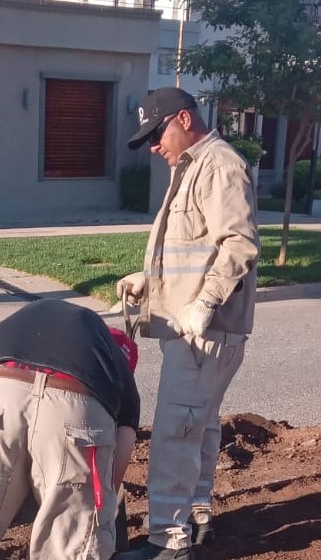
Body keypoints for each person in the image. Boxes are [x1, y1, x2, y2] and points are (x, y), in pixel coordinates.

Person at [115, 87, 260, 560]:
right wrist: (150, 281)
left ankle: (166, 543)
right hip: (200, 328)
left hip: (204, 330)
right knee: (198, 427)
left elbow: (238, 244)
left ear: (183, 118)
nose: (154, 145)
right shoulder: (192, 167)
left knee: (176, 432)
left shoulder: (217, 165)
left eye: (157, 134)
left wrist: (204, 304)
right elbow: (195, 249)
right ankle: (197, 517)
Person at [0, 298, 141, 560]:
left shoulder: (14, 328)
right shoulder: (115, 365)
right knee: (71, 544)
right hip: (72, 406)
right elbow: (116, 463)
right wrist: (95, 507)